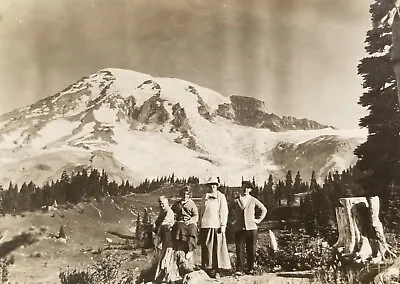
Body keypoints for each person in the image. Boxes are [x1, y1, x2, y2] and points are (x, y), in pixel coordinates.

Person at [198, 176, 231, 278]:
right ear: (208, 186)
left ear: (217, 186)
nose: (212, 186)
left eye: (214, 185)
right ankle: (207, 268)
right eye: (210, 185)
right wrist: (199, 224)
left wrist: (223, 225)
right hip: (205, 225)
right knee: (207, 248)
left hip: (216, 226)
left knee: (216, 248)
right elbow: (201, 211)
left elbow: (224, 211)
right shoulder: (205, 197)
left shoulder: (221, 196)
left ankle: (217, 270)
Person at [232, 180, 267, 275]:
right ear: (241, 188)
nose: (245, 189)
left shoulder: (253, 200)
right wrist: (233, 221)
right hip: (239, 229)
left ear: (250, 190)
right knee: (239, 249)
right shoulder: (236, 200)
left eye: (247, 188)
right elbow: (228, 210)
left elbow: (264, 209)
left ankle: (250, 268)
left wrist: (258, 220)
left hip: (252, 228)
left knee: (251, 249)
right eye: (244, 187)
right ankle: (239, 269)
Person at [153, 196, 181, 283]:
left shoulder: (169, 212)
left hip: (168, 238)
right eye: (160, 203)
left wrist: (156, 229)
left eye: (163, 203)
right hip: (164, 237)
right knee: (162, 256)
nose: (161, 205)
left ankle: (167, 276)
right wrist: (154, 225)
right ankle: (162, 275)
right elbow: (157, 222)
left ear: (167, 203)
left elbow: (163, 223)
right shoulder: (163, 212)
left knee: (166, 256)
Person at [171, 186, 198, 270]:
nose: (185, 196)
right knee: (179, 227)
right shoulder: (177, 204)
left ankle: (190, 249)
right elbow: (171, 212)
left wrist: (190, 221)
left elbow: (196, 215)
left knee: (192, 230)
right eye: (183, 194)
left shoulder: (191, 204)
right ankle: (179, 247)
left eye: (187, 194)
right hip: (180, 222)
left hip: (189, 222)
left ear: (189, 195)